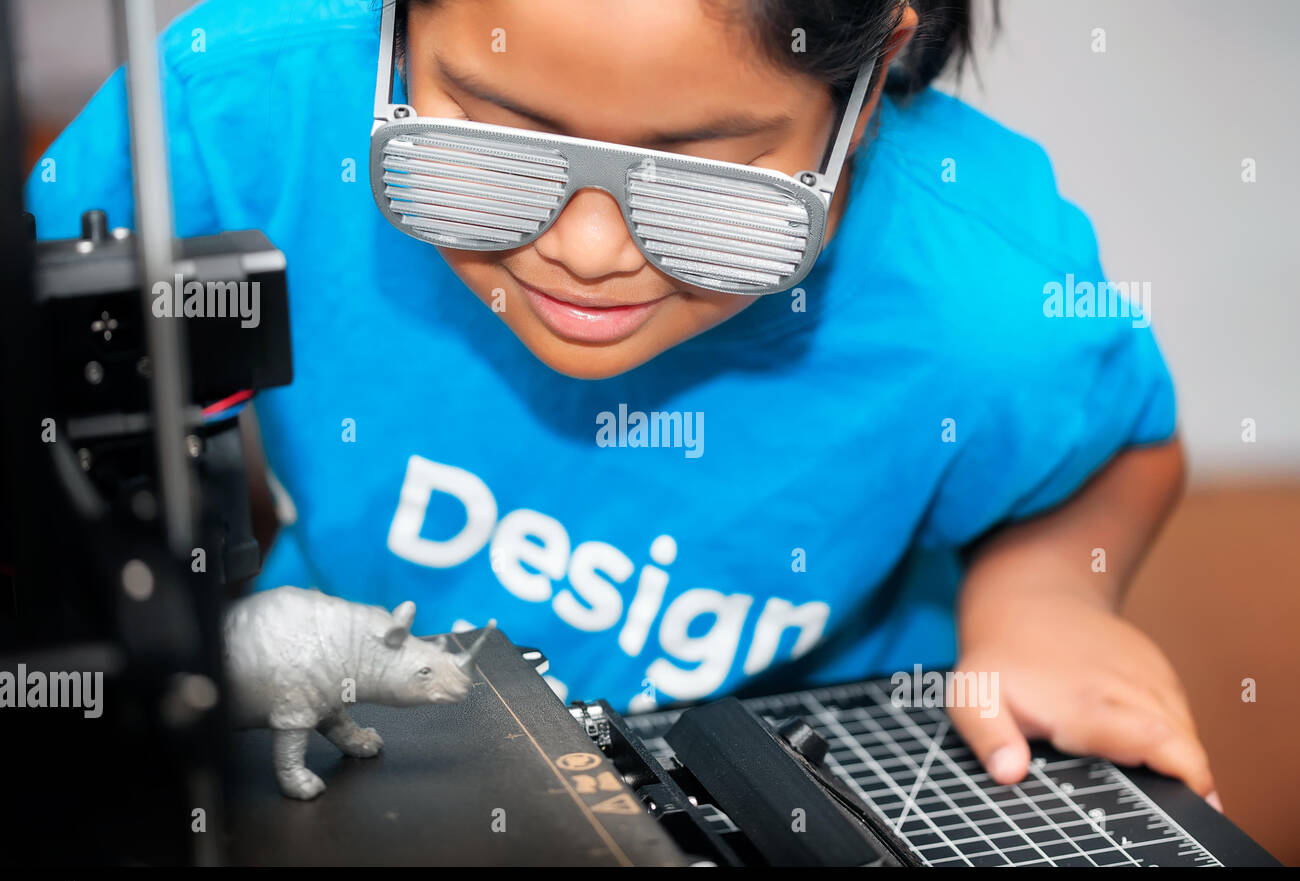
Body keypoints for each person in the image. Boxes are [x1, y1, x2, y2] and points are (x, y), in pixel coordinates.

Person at [25, 0, 1217, 805]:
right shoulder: (224, 122)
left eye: (710, 177)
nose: (587, 250)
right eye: (493, 139)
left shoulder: (987, 300)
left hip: (788, 776)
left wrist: (1050, 593)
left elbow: (1120, 455)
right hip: (374, 756)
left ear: (870, 75)